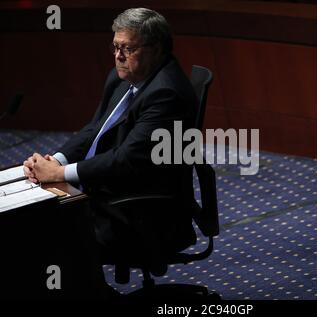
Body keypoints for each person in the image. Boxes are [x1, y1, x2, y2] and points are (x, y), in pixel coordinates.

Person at [23, 8, 198, 279]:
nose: (118, 56)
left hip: (137, 212)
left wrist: (59, 175)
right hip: (105, 191)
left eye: (127, 48)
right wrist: (57, 160)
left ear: (156, 49)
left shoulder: (166, 93)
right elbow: (94, 129)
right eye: (116, 47)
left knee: (40, 233)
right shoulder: (123, 78)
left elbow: (125, 159)